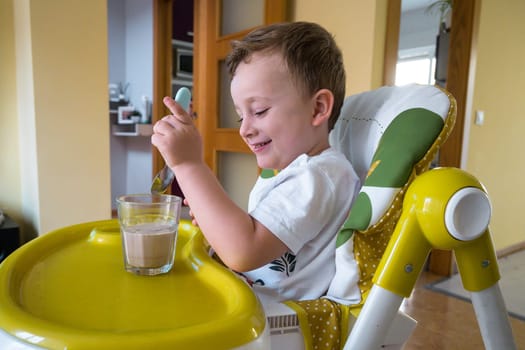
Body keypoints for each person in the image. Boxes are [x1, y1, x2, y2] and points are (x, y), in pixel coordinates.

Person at [151, 21, 360, 305]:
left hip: (275, 322)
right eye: (241, 116)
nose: (244, 129)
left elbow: (244, 251)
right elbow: (254, 237)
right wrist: (218, 224)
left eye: (259, 111)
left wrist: (189, 165)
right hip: (249, 298)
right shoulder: (290, 172)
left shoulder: (320, 175)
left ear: (318, 108)